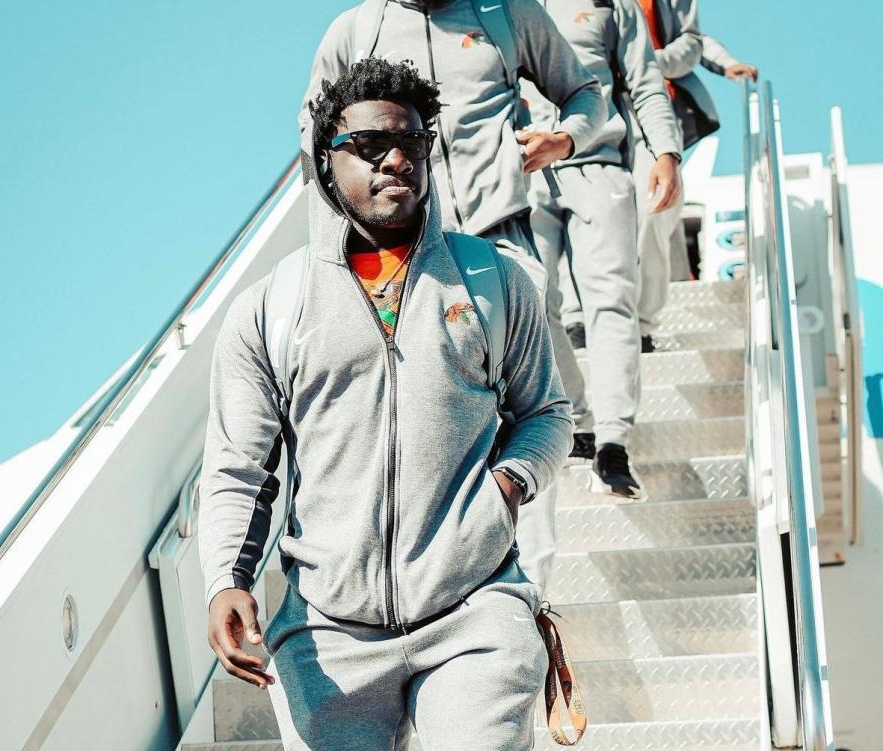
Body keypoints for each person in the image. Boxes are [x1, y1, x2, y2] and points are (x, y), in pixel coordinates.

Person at [199, 57, 573, 751]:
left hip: (474, 610)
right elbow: (239, 463)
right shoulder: (273, 308)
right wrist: (226, 572)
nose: (394, 155)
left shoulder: (495, 280)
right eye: (369, 140)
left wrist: (509, 487)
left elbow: (547, 408)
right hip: (330, 631)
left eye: (410, 135)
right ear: (326, 162)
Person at [301, 0, 605, 595]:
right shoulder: (355, 29)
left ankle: (531, 594)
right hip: (401, 255)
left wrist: (564, 139)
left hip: (500, 235)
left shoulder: (508, 13)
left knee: (525, 417)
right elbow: (315, 148)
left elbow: (585, 93)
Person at [526, 0, 682, 500]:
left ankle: (613, 442)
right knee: (531, 299)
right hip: (523, 175)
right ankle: (579, 418)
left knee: (611, 300)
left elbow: (646, 83)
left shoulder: (614, 7)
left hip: (598, 166)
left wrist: (666, 152)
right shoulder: (501, 7)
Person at [634, 1, 758, 343]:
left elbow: (692, 40)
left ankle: (643, 324)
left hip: (655, 109)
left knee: (657, 205)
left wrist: (728, 64)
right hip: (597, 112)